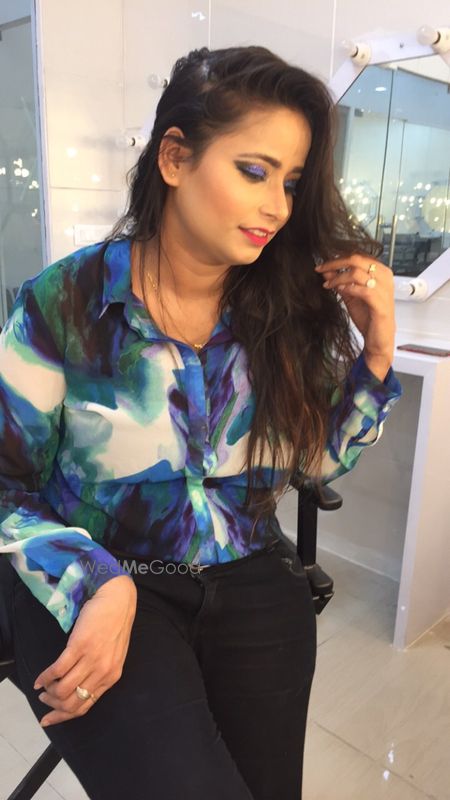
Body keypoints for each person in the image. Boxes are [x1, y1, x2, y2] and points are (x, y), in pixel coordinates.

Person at [0, 45, 402, 800]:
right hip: (103, 577)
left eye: (291, 182)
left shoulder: (281, 312)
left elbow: (312, 465)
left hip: (253, 580)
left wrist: (375, 358)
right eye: (254, 171)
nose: (278, 207)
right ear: (175, 157)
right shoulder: (64, 305)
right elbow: (5, 484)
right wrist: (97, 584)